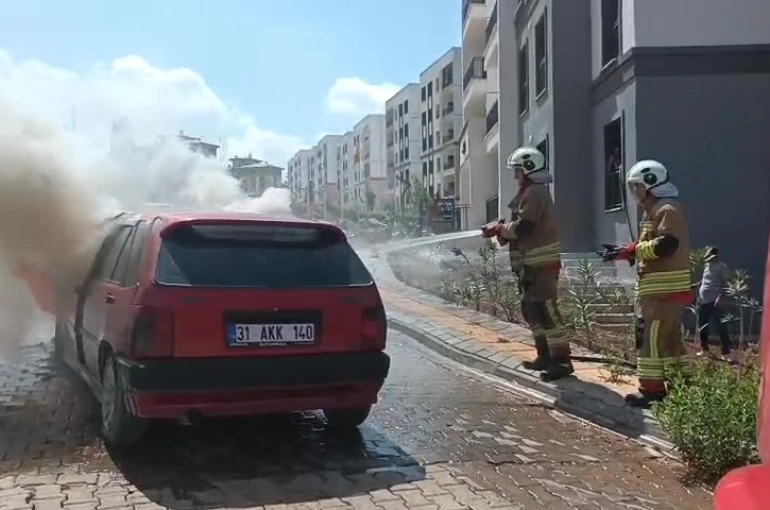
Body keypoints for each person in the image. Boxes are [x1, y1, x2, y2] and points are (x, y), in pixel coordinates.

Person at [602, 159, 692, 408]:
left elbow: (666, 245)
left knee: (649, 339)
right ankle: (682, 388)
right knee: (670, 342)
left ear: (651, 184)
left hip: (662, 293)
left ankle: (652, 391)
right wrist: (626, 251)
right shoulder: (656, 209)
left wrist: (633, 250)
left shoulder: (667, 209)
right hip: (662, 292)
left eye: (637, 186)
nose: (634, 192)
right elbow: (652, 244)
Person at [481, 147, 572, 382]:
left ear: (528, 169)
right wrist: (500, 231)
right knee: (532, 311)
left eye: (518, 170)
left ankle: (561, 361)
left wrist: (499, 228)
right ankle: (545, 355)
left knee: (547, 311)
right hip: (530, 266)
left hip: (541, 266)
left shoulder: (535, 192)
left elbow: (524, 226)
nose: (515, 176)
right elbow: (521, 229)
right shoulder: (530, 192)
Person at [698, 247, 732, 358]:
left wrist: (721, 297)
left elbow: (726, 283)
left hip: (715, 301)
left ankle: (726, 353)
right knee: (703, 326)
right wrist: (695, 286)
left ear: (715, 256)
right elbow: (704, 280)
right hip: (703, 301)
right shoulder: (707, 266)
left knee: (721, 327)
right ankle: (704, 349)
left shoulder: (722, 267)